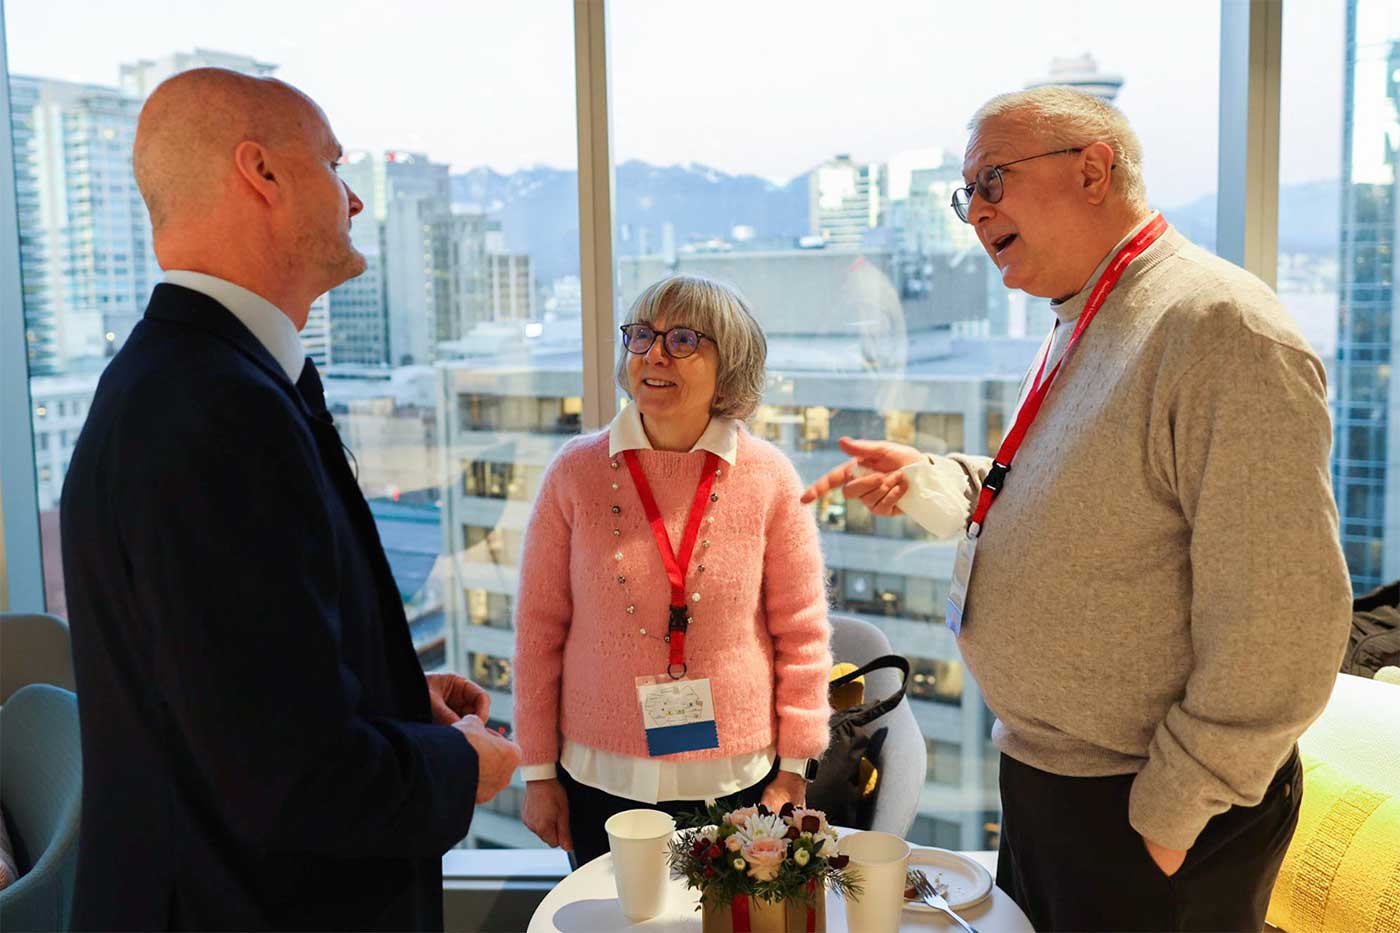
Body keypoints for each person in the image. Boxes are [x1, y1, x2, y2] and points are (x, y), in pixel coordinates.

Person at [802, 87, 1352, 932]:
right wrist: (931, 477)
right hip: (1053, 783)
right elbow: (1067, 494)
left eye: (991, 181)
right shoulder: (1089, 314)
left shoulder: (1218, 328)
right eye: (966, 194)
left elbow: (1285, 618)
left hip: (1149, 807)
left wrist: (1172, 810)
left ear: (1093, 169)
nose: (974, 214)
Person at [60, 68, 520, 931]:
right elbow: (293, 781)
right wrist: (463, 766)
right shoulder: (213, 411)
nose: (352, 199)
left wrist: (387, 692)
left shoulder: (190, 382)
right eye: (333, 165)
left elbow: (226, 697)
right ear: (261, 174)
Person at [513, 274, 832, 866]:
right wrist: (536, 773)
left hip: (738, 777)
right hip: (595, 775)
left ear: (729, 364)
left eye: (683, 339)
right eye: (641, 336)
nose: (654, 354)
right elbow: (537, 635)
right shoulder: (575, 473)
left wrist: (795, 770)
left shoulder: (768, 478)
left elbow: (803, 636)